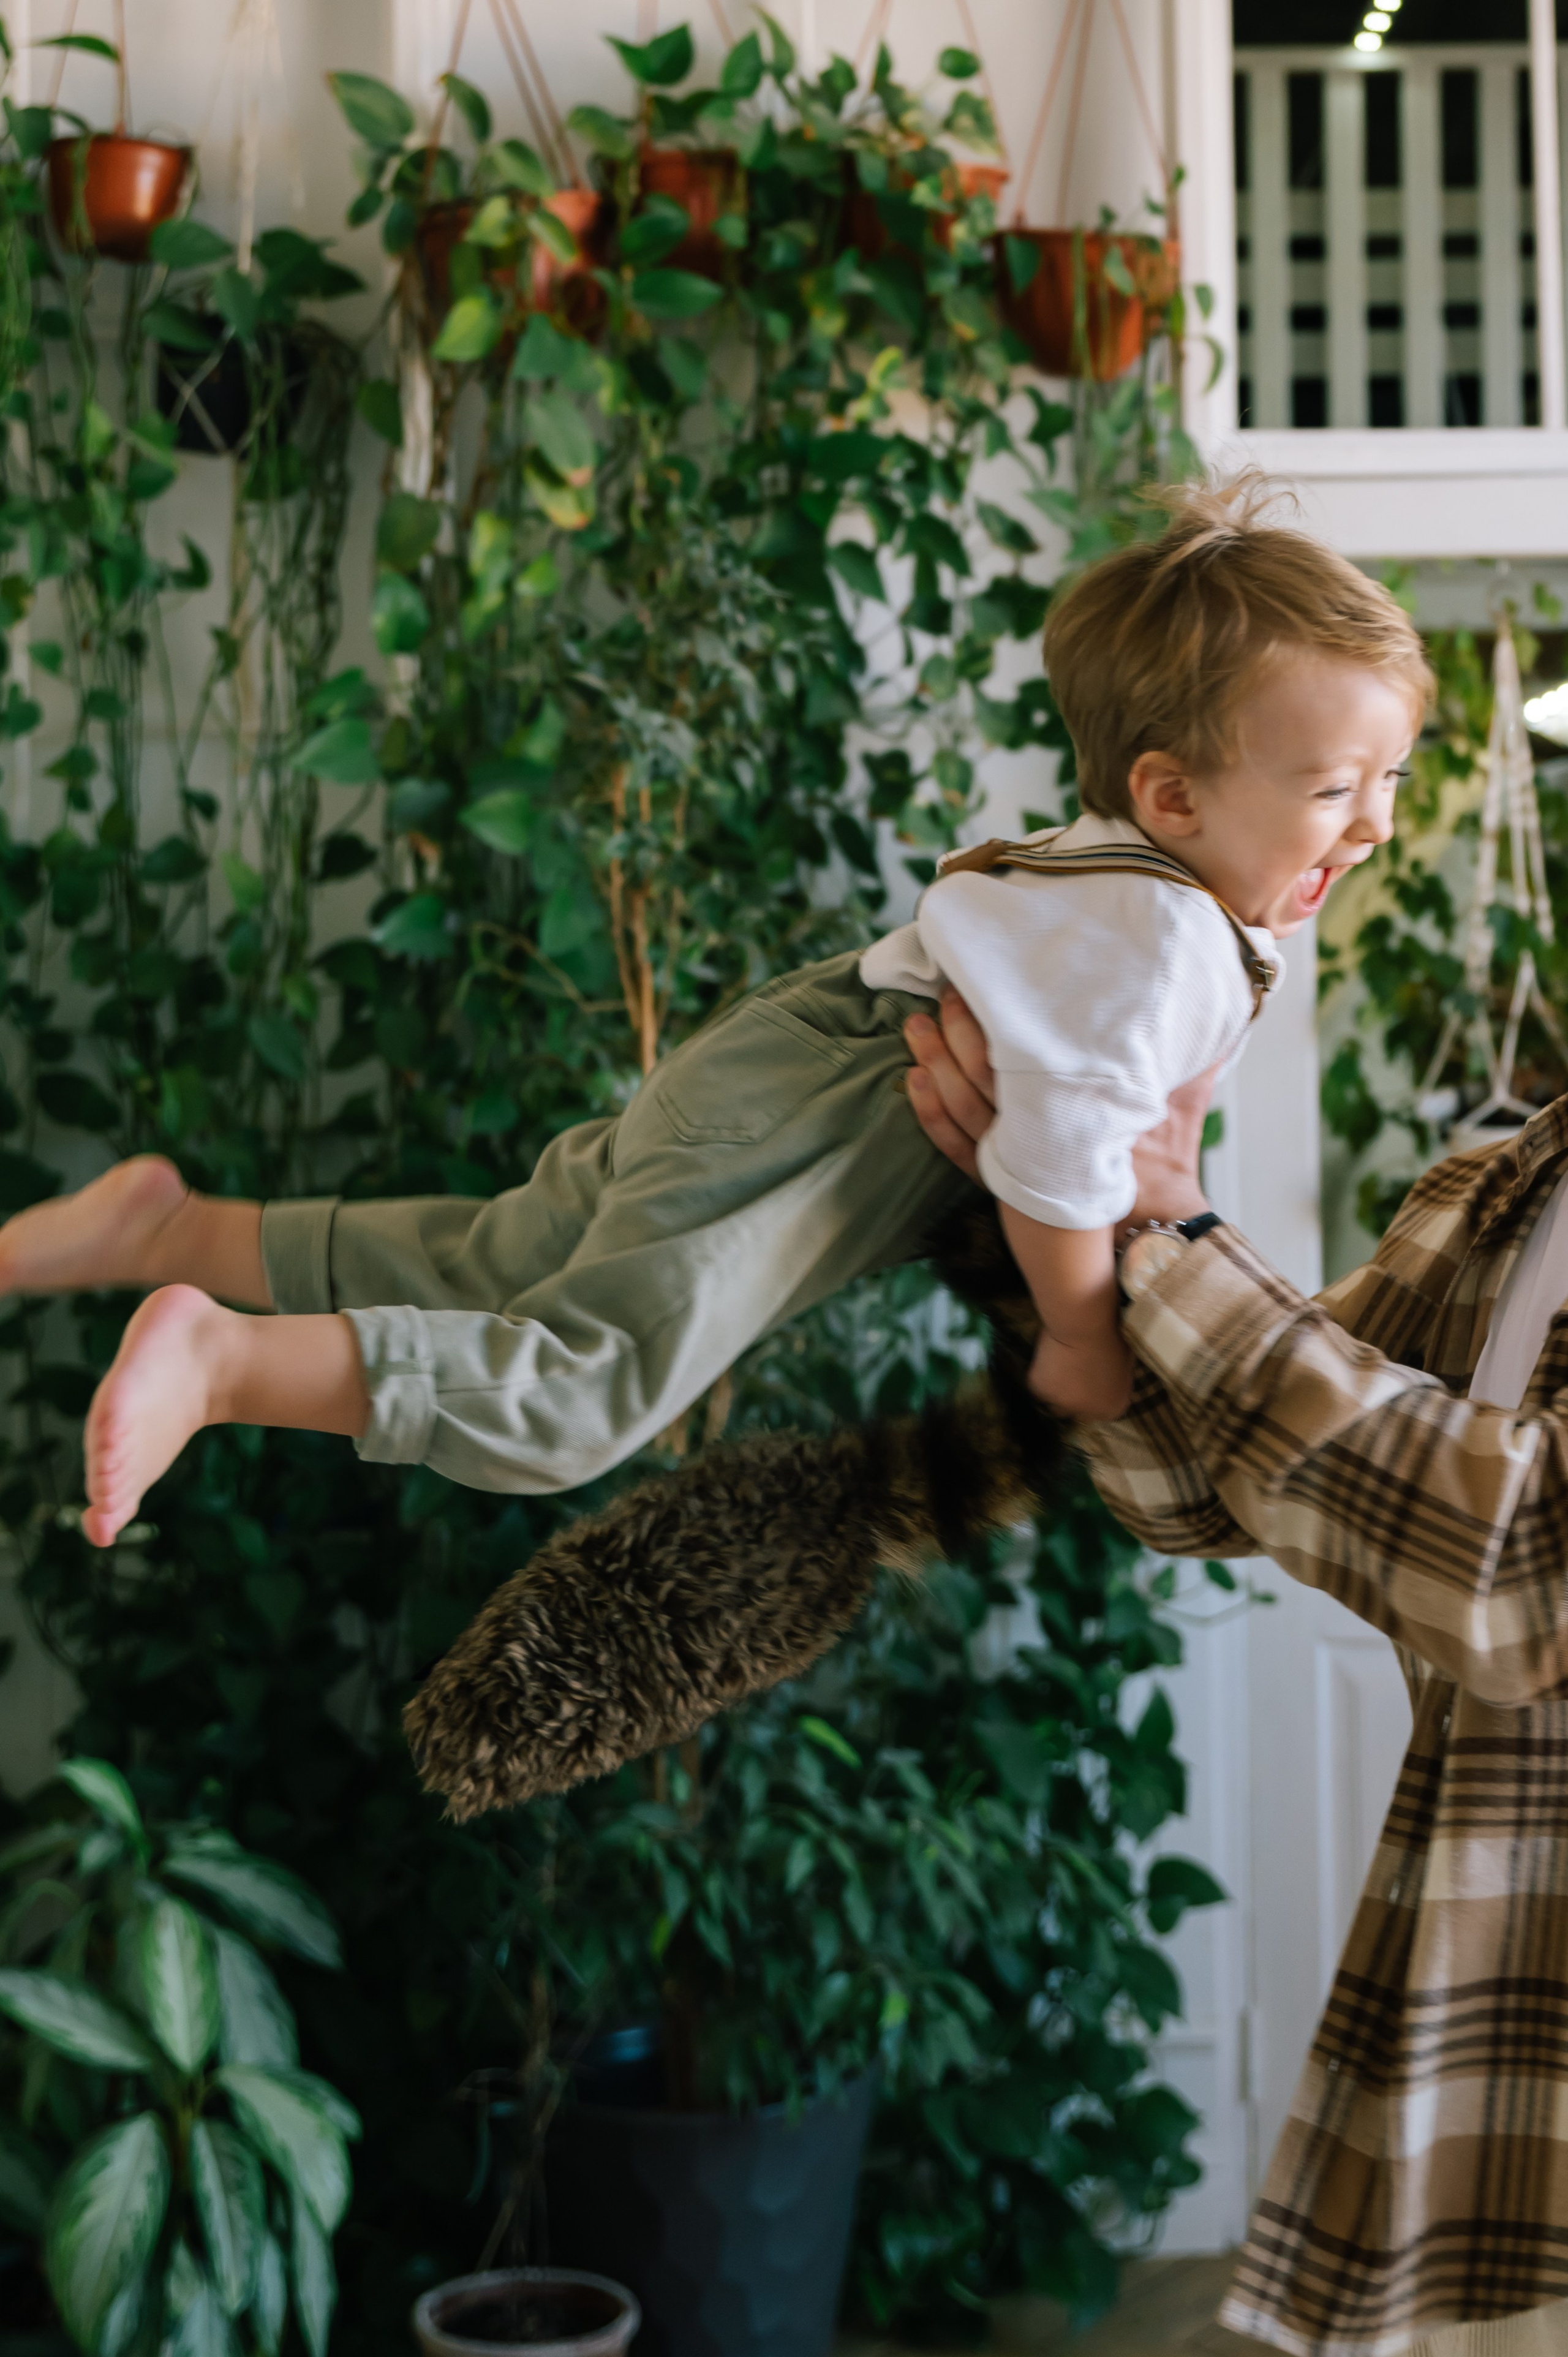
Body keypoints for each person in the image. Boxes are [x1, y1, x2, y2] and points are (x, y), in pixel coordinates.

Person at [0, 477, 1423, 1550]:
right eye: (1329, 791)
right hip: (817, 1121)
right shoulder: (1167, 937)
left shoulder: (1140, 886)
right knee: (579, 1394)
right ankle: (221, 1352)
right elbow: (1058, 1155)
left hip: (780, 1065)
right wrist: (1076, 1331)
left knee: (504, 1255)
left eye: (1389, 783)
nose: (1365, 827)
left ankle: (174, 1227)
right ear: (1170, 797)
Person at [903, 994, 1568, 2357]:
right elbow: (1221, 1480)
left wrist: (1180, 1238)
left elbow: (1516, 1566)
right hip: (1488, 2017)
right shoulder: (1503, 1190)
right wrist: (1080, 1228)